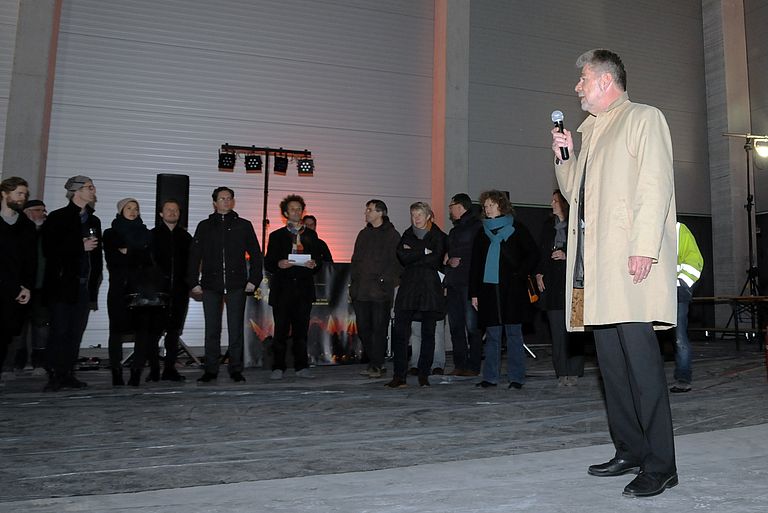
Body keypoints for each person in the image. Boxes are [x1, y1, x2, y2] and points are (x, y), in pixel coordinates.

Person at [550, 49, 678, 497]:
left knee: (642, 369)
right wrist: (565, 158)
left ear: (606, 80)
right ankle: (629, 450)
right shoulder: (592, 133)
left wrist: (645, 247)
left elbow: (655, 185)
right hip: (596, 271)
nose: (578, 87)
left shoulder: (643, 118)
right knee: (613, 370)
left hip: (628, 264)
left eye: (583, 78)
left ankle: (661, 463)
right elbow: (576, 197)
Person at [189, 187, 263, 383]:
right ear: (214, 202)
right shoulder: (204, 226)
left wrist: (253, 280)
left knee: (235, 328)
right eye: (222, 198)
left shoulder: (243, 225)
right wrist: (193, 283)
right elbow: (194, 256)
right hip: (211, 285)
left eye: (229, 198)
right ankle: (210, 370)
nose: (226, 201)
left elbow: (256, 254)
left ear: (233, 201)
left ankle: (235, 369)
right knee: (211, 329)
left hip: (236, 284)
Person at [469, 190, 538, 389]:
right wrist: (474, 293)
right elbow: (475, 266)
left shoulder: (517, 228)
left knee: (514, 334)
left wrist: (520, 274)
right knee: (492, 335)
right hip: (489, 292)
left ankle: (516, 378)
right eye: (485, 206)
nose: (486, 209)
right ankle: (490, 377)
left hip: (513, 291)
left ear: (501, 205)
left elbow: (533, 254)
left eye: (490, 205)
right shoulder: (481, 233)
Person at [42, 176, 103, 391]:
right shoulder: (58, 217)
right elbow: (50, 249)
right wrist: (79, 246)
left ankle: (68, 372)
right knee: (59, 330)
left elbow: (96, 257)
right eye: (89, 187)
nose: (93, 190)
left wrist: (94, 286)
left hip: (84, 286)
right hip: (62, 286)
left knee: (76, 332)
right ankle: (53, 374)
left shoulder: (93, 221)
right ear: (76, 192)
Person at [384, 201, 447, 389]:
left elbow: (435, 259)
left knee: (429, 333)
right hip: (408, 290)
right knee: (400, 333)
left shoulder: (439, 236)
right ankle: (399, 376)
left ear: (428, 215)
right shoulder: (407, 234)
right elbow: (402, 256)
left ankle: (424, 374)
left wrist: (416, 253)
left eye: (419, 214)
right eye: (413, 215)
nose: (416, 218)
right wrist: (424, 252)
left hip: (429, 290)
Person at [103, 198, 163, 386]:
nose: (133, 211)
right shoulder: (110, 233)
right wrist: (135, 253)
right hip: (119, 288)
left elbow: (149, 260)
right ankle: (116, 373)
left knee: (142, 332)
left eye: (136, 208)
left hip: (142, 289)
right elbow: (113, 260)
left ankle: (136, 372)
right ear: (121, 211)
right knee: (115, 332)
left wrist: (128, 252)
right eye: (128, 208)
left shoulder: (147, 233)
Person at [265, 195, 321, 380]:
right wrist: (279, 263)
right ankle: (278, 366)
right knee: (280, 331)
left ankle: (301, 365)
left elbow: (319, 260)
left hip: (304, 290)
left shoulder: (311, 235)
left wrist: (315, 264)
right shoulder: (276, 236)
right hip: (282, 290)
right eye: (293, 209)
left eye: (299, 209)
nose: (296, 212)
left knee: (301, 332)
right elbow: (269, 262)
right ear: (285, 213)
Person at [535, 190, 584, 386]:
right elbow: (540, 254)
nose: (552, 203)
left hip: (573, 285)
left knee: (574, 331)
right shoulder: (548, 226)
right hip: (553, 286)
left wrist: (566, 255)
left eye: (555, 200)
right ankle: (561, 372)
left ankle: (574, 371)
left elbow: (584, 251)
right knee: (556, 331)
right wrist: (538, 274)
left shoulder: (576, 225)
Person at [350, 199, 401, 379]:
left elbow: (397, 263)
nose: (366, 213)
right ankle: (375, 362)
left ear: (381, 213)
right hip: (361, 292)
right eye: (366, 210)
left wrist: (383, 280)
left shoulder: (392, 235)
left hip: (380, 293)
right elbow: (355, 260)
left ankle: (376, 365)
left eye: (370, 210)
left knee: (379, 329)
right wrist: (354, 284)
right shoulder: (363, 234)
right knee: (364, 329)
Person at [151, 199, 193, 382]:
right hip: (156, 291)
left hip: (179, 291)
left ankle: (169, 369)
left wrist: (191, 283)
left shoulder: (186, 237)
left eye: (175, 210)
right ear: (161, 213)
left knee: (173, 332)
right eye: (168, 209)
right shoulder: (151, 235)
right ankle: (153, 370)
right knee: (153, 331)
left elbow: (192, 265)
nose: (172, 212)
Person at [0, 177, 35, 385]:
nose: (23, 198)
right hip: (3, 285)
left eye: (24, 194)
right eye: (19, 193)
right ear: (5, 194)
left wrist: (27, 287)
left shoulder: (26, 226)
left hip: (15, 289)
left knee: (6, 334)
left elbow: (30, 261)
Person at [444, 193, 482, 377]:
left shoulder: (476, 227)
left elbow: (478, 255)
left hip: (468, 283)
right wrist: (449, 261)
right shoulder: (454, 231)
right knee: (455, 325)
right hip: (453, 283)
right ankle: (460, 364)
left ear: (460, 206)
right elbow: (450, 255)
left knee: (472, 326)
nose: (449, 209)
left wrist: (460, 261)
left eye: (451, 205)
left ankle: (474, 365)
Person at [16, 199, 49, 374]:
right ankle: (16, 362)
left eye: (44, 210)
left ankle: (39, 362)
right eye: (38, 210)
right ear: (27, 212)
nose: (43, 214)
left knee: (41, 325)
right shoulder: (18, 229)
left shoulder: (47, 231)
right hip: (20, 286)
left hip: (42, 286)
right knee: (18, 326)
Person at [670, 222, 703, 393]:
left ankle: (683, 378)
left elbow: (694, 259)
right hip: (652, 296)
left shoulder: (678, 229)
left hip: (676, 293)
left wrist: (682, 285)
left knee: (679, 338)